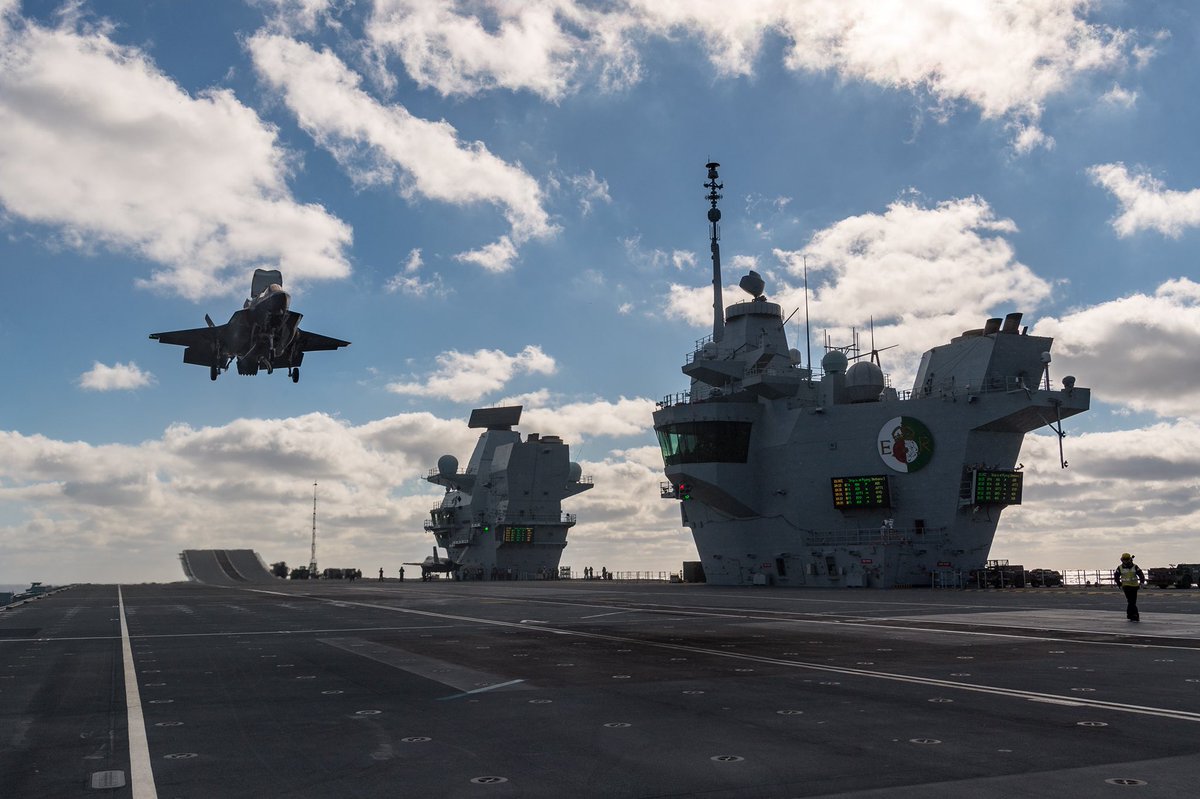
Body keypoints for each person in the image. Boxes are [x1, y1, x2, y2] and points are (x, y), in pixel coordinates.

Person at [1114, 552, 1145, 622]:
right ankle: (1135, 615)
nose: (1125, 561)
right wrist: (1119, 584)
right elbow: (1116, 576)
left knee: (1131, 601)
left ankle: (1130, 614)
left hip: (1134, 586)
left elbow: (1141, 574)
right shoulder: (1120, 568)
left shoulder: (1135, 566)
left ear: (1130, 559)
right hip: (1126, 586)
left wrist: (1142, 582)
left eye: (1127, 559)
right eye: (1124, 560)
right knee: (1131, 601)